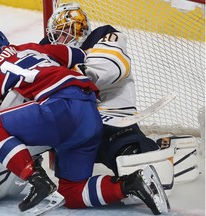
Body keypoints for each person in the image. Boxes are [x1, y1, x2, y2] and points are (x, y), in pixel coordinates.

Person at [0, 28, 169, 215]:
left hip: (60, 108)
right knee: (72, 192)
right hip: (89, 115)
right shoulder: (33, 49)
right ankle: (132, 183)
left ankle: (36, 179)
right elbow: (76, 55)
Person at [40, 2, 161, 176]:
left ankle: (143, 161)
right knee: (70, 179)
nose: (59, 40)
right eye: (56, 35)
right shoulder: (48, 49)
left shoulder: (102, 37)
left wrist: (73, 76)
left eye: (64, 34)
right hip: (72, 128)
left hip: (111, 120)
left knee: (130, 152)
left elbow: (111, 67)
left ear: (79, 30)